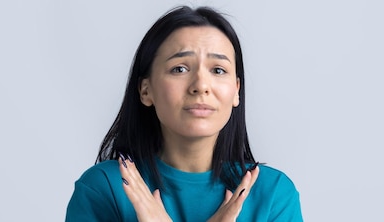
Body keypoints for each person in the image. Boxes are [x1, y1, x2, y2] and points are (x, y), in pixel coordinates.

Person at [66, 6, 303, 222]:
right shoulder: (104, 188)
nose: (200, 85)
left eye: (218, 70)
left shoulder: (273, 194)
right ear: (146, 90)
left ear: (236, 92)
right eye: (179, 68)